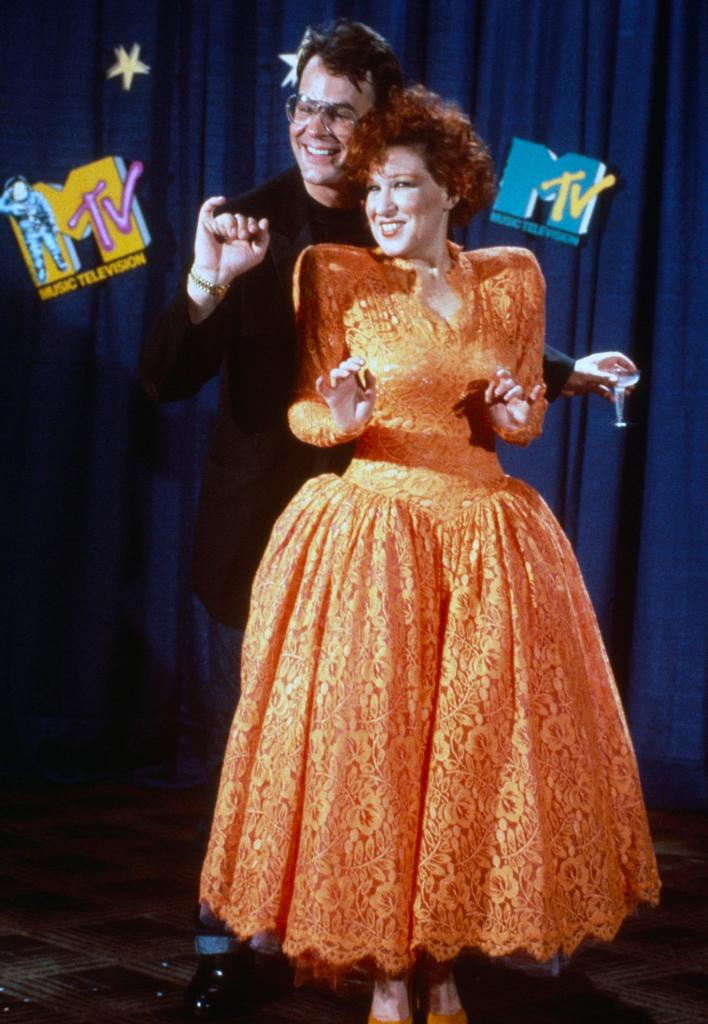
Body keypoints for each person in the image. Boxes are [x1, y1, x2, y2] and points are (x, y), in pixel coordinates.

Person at [139, 18, 639, 1016]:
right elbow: (165, 377)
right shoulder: (249, 223)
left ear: (379, 128)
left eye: (340, 113)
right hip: (279, 524)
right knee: (274, 742)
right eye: (303, 107)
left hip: (420, 527)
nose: (317, 130)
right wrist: (207, 281)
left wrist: (559, 376)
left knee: (409, 744)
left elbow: (453, 352)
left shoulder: (404, 226)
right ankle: (238, 944)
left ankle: (416, 941)